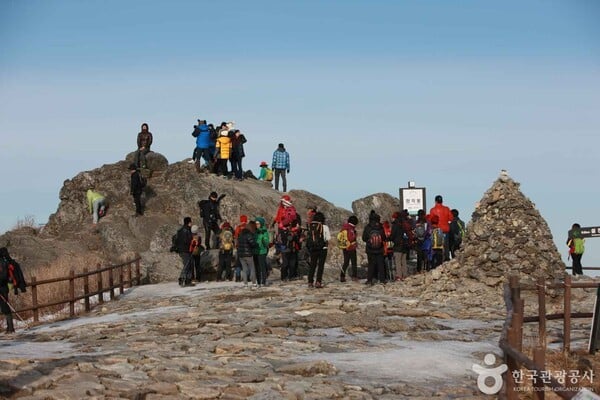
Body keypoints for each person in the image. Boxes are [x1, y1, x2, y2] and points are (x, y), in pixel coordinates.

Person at [0, 247, 26, 334]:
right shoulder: (4, 262)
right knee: (4, 307)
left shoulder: (2, 263)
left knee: (5, 307)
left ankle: (10, 328)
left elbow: (3, 277)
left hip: (2, 288)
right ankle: (10, 328)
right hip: (3, 287)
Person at [306, 211, 330, 288]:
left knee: (312, 265)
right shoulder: (325, 227)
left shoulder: (311, 226)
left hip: (313, 248)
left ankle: (310, 281)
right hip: (323, 248)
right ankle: (318, 282)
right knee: (320, 265)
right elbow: (328, 238)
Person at [362, 210, 386, 285]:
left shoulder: (367, 227)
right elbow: (384, 238)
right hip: (379, 249)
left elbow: (364, 238)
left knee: (371, 265)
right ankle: (382, 280)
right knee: (381, 264)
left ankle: (369, 280)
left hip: (370, 249)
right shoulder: (380, 227)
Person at [429, 195, 453, 262]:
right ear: (442, 201)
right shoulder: (447, 209)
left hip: (436, 230)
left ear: (435, 201)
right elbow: (451, 218)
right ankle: (447, 260)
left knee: (437, 247)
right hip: (445, 230)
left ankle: (438, 261)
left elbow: (431, 220)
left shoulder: (433, 210)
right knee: (446, 246)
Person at [391, 210, 414, 281]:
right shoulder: (405, 224)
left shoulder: (395, 225)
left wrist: (389, 238)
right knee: (403, 261)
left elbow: (393, 236)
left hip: (398, 245)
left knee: (398, 261)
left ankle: (399, 276)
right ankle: (405, 275)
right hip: (405, 245)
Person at [237, 220, 258, 287]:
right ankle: (254, 282)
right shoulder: (249, 234)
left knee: (244, 269)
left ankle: (245, 283)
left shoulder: (241, 234)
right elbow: (252, 243)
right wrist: (256, 244)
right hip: (248, 254)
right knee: (252, 268)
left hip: (240, 254)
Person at [174, 217, 194, 287]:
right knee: (187, 264)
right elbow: (186, 241)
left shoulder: (181, 230)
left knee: (189, 264)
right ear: (189, 223)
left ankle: (188, 280)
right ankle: (182, 278)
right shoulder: (186, 231)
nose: (192, 223)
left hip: (183, 250)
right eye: (191, 222)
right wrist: (193, 241)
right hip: (185, 250)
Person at [339, 215, 359, 282]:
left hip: (344, 247)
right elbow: (351, 238)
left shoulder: (344, 227)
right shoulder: (350, 228)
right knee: (354, 262)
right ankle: (354, 276)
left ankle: (342, 276)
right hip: (351, 247)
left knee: (346, 262)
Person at [254, 217, 270, 286]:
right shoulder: (254, 231)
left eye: (258, 224)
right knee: (256, 267)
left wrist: (264, 241)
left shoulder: (264, 231)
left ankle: (263, 281)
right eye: (256, 224)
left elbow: (267, 242)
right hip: (255, 251)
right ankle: (258, 281)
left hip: (262, 251)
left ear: (261, 224)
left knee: (262, 267)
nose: (257, 225)